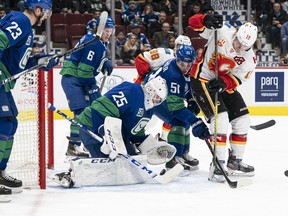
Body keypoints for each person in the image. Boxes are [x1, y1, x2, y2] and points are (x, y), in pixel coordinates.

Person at [49, 77, 177, 188]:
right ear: (150, 90)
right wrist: (106, 133)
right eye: (156, 97)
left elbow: (135, 132)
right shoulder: (132, 91)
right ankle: (71, 175)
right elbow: (101, 106)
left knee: (131, 162)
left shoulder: (149, 110)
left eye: (160, 100)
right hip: (92, 125)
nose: (157, 101)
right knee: (107, 163)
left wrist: (149, 145)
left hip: (116, 134)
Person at [188, 13, 257, 182]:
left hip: (221, 84)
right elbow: (192, 23)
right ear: (237, 33)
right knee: (221, 118)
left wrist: (225, 82)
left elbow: (238, 78)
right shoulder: (221, 31)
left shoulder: (250, 59)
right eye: (239, 42)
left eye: (244, 46)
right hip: (201, 79)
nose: (240, 47)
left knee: (243, 119)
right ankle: (217, 164)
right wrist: (205, 18)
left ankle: (235, 161)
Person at [0, 0, 58, 202]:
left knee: (11, 123)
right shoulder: (21, 20)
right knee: (4, 124)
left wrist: (39, 61)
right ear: (38, 9)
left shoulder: (26, 28)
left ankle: (0, 171)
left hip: (5, 82)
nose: (47, 16)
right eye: (47, 11)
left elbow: (17, 60)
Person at [143, 45, 210, 174]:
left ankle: (183, 153)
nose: (185, 67)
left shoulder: (186, 69)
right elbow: (176, 109)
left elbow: (187, 86)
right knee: (178, 121)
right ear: (177, 60)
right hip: (152, 98)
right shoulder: (173, 74)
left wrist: (191, 100)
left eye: (188, 64)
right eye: (181, 63)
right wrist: (195, 121)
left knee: (184, 120)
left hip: (163, 94)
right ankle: (173, 160)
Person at [60, 15, 114, 158]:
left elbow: (92, 60)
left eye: (111, 30)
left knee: (88, 113)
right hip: (74, 79)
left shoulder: (97, 40)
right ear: (99, 28)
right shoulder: (95, 42)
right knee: (81, 113)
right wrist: (92, 88)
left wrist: (103, 62)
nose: (109, 34)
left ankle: (81, 145)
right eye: (106, 30)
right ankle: (74, 147)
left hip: (78, 79)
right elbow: (83, 71)